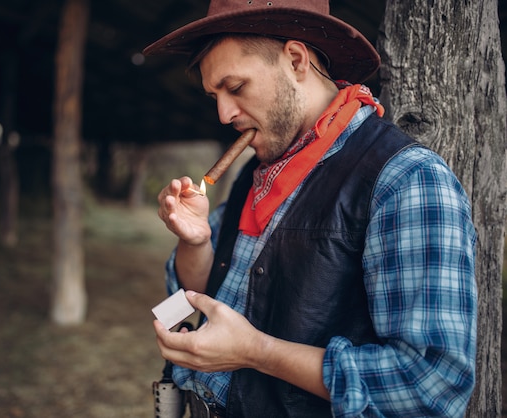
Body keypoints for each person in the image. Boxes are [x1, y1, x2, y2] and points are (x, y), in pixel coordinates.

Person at [145, 1, 477, 417]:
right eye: (215, 95)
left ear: (297, 61)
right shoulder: (258, 168)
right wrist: (197, 242)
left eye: (236, 87)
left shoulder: (406, 179)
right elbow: (201, 296)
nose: (223, 114)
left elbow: (429, 385)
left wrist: (257, 351)